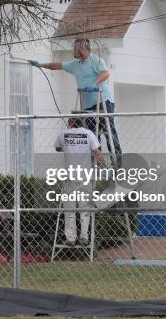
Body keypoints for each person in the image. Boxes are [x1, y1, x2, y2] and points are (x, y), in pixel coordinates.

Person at [32, 38, 122, 167]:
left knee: (109, 132)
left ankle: (117, 166)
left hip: (103, 101)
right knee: (91, 136)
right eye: (77, 50)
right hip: (88, 105)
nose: (79, 52)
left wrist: (94, 84)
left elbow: (105, 73)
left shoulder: (95, 60)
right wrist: (41, 65)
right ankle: (96, 166)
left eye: (81, 50)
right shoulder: (74, 64)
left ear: (86, 48)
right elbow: (57, 65)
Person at [54, 118, 107, 246]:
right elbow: (96, 151)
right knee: (85, 207)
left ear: (71, 122)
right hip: (85, 176)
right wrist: (105, 166)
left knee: (69, 208)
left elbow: (57, 148)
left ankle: (71, 238)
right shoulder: (88, 134)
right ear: (81, 123)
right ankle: (84, 237)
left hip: (70, 176)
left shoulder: (63, 134)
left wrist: (68, 145)